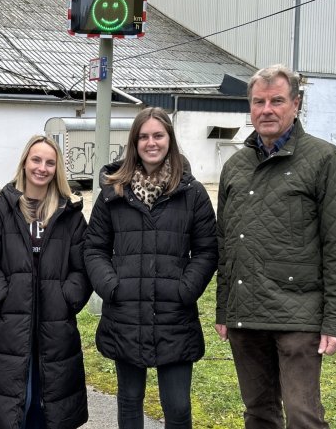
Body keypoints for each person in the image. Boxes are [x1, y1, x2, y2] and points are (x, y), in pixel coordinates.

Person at [215, 64, 336, 429]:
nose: (267, 109)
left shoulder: (324, 159)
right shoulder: (235, 166)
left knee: (302, 415)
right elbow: (226, 242)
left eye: (277, 100)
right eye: (258, 101)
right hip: (246, 315)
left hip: (299, 315)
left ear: (295, 104)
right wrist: (224, 309)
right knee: (259, 413)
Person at [84, 107, 217, 429]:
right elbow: (94, 248)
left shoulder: (192, 193)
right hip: (126, 313)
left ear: (170, 139)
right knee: (129, 402)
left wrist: (186, 289)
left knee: (178, 406)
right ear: (134, 142)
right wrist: (112, 287)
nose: (151, 142)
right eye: (143, 136)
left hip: (174, 314)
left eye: (158, 135)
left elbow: (207, 249)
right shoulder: (114, 192)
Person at [0, 135, 91, 429]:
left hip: (55, 324)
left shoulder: (68, 214)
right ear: (24, 162)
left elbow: (85, 265)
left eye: (50, 162)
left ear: (57, 169)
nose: (42, 168)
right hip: (12, 325)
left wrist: (67, 297)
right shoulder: (2, 208)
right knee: (15, 404)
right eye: (36, 160)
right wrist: (1, 296)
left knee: (49, 405)